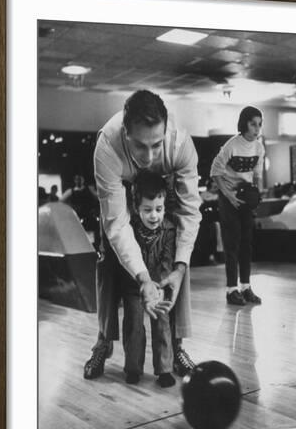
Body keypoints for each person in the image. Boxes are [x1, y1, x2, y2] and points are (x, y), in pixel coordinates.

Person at [83, 90, 202, 379]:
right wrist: (144, 279)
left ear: (166, 131)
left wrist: (179, 267)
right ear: (126, 133)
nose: (148, 157)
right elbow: (117, 225)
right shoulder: (107, 147)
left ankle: (176, 347)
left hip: (160, 196)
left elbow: (189, 211)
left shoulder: (181, 144)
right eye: (140, 146)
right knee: (109, 258)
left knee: (177, 260)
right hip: (125, 202)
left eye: (156, 145)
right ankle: (103, 342)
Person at [120, 170, 177, 388]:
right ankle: (133, 368)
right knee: (134, 324)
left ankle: (164, 369)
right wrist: (141, 284)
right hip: (134, 286)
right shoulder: (129, 229)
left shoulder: (169, 230)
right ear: (136, 209)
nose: (154, 216)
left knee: (162, 322)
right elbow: (126, 258)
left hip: (159, 286)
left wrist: (159, 286)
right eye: (148, 210)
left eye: (159, 210)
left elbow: (167, 260)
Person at [210, 106, 265, 306]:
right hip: (228, 197)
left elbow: (257, 176)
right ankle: (231, 290)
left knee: (247, 244)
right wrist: (229, 197)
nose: (257, 129)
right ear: (244, 124)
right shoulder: (231, 145)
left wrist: (256, 198)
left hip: (245, 197)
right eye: (253, 124)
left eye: (259, 124)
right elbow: (215, 172)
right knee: (231, 244)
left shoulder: (259, 148)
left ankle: (246, 287)